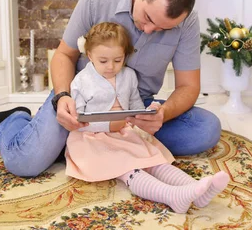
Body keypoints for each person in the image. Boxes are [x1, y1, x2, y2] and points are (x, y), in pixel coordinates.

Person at [0, 0, 221, 178]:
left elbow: (188, 86)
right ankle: (14, 119)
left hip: (134, 109)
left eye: (163, 28)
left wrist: (162, 114)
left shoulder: (187, 22)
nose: (152, 30)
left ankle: (67, 145)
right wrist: (63, 96)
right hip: (80, 104)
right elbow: (64, 55)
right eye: (148, 18)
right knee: (25, 163)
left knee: (206, 129)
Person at [65, 22, 229, 213]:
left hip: (124, 133)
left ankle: (199, 191)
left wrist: (147, 112)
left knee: (154, 161)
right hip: (93, 140)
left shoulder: (128, 76)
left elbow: (135, 106)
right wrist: (109, 125)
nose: (111, 67)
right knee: (128, 168)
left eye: (118, 60)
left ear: (125, 56)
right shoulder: (81, 82)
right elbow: (79, 122)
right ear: (90, 55)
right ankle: (171, 195)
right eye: (103, 61)